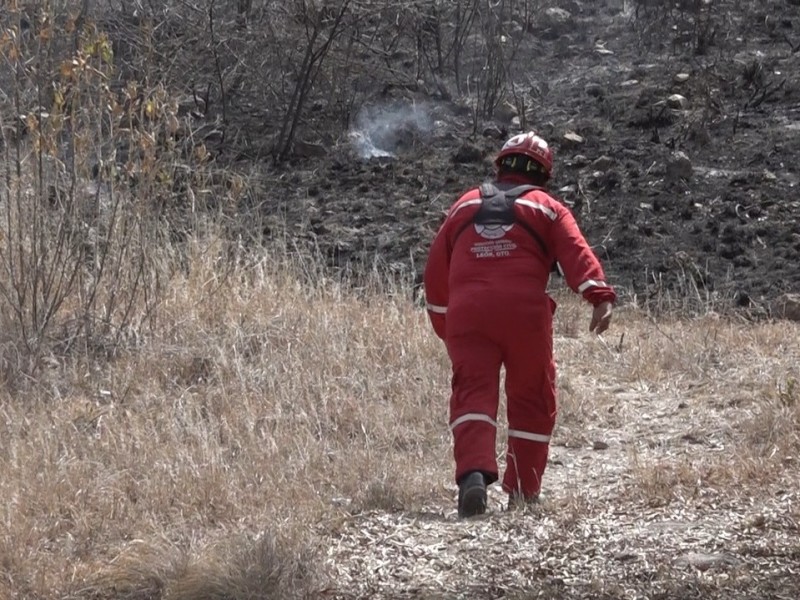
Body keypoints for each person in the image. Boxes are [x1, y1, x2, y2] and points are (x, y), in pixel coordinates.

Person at [423, 132, 616, 518]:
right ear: (544, 174)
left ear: (500, 165)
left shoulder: (464, 204)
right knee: (532, 395)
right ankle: (524, 491)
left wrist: (446, 322)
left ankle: (473, 476)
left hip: (468, 312)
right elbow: (574, 251)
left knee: (472, 393)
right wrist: (599, 295)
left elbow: (435, 273)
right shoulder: (547, 207)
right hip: (524, 315)